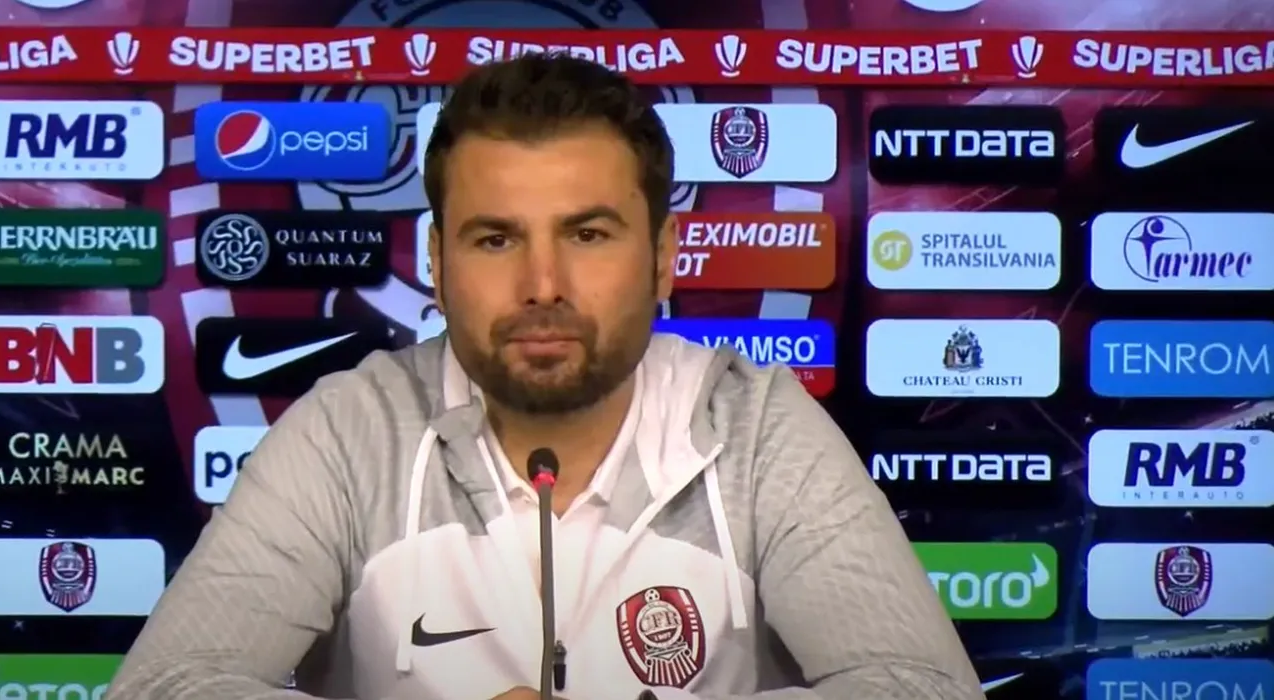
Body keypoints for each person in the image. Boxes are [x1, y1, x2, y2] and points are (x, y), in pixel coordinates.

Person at [109, 54, 985, 700]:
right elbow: (167, 686)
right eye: (495, 238)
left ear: (664, 257)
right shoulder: (348, 431)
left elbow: (921, 687)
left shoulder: (757, 428)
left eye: (588, 234)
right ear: (436, 263)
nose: (542, 285)